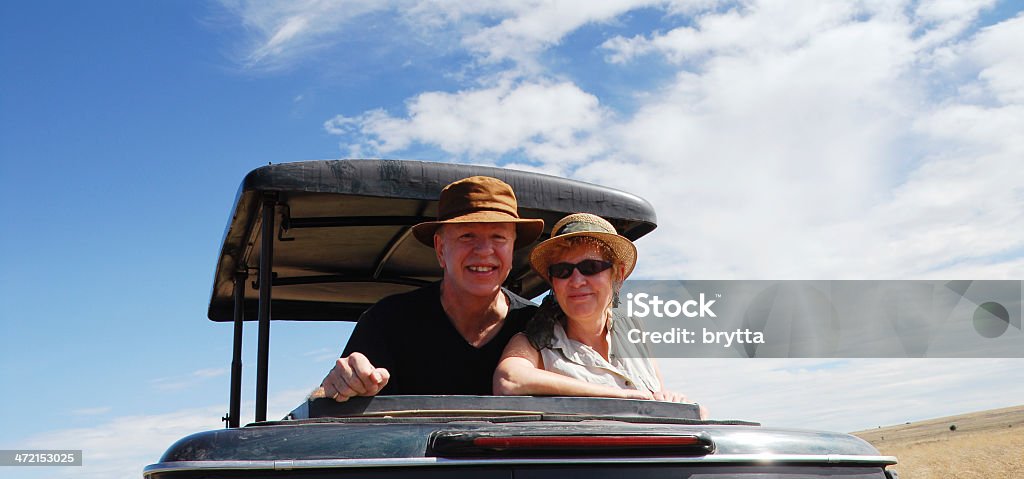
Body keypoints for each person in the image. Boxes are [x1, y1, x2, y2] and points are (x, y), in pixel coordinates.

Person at [313, 176, 544, 401]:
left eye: (498, 237)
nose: (484, 250)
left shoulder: (539, 325)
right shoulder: (388, 321)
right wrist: (338, 386)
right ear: (440, 249)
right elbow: (325, 400)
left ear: (512, 249)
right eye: (467, 236)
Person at [493, 213, 690, 403]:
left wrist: (674, 402)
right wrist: (619, 395)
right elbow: (508, 380)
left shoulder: (633, 329)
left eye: (591, 267)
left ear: (618, 275)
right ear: (553, 282)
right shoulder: (533, 344)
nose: (577, 281)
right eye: (563, 271)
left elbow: (659, 396)